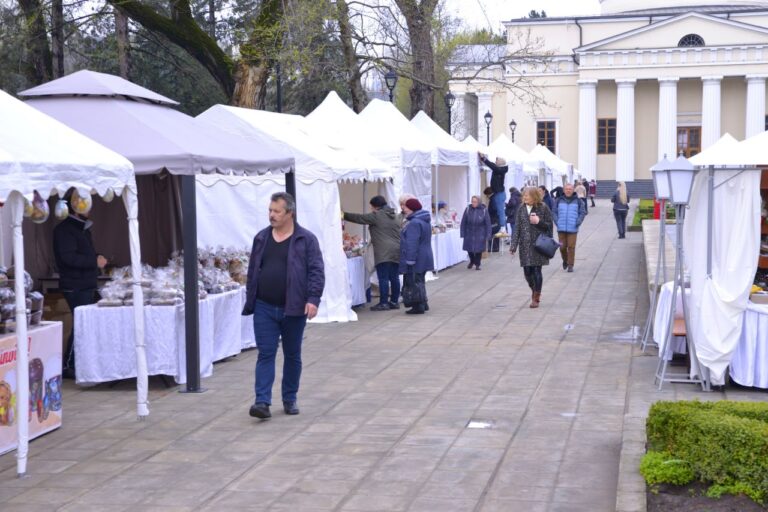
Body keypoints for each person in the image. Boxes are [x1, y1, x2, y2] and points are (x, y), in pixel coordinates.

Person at [242, 192, 325, 419]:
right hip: (264, 306)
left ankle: (289, 398)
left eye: (277, 211)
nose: (271, 215)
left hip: (294, 308)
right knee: (265, 353)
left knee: (292, 354)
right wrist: (251, 298)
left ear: (290, 213)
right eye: (270, 210)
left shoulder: (305, 239)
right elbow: (252, 271)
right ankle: (262, 402)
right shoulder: (261, 238)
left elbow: (316, 271)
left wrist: (313, 299)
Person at [53, 198, 108, 379]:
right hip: (75, 285)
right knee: (80, 325)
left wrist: (96, 256)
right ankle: (69, 365)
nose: (89, 209)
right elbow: (69, 258)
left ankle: (79, 362)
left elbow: (83, 253)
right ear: (76, 208)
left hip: (86, 283)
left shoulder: (82, 228)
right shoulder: (65, 230)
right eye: (85, 205)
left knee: (84, 325)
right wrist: (94, 261)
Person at [343, 196, 401, 311]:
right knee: (394, 277)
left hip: (383, 251)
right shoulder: (394, 215)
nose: (371, 209)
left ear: (376, 206)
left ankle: (384, 302)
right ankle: (394, 301)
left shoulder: (377, 215)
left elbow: (360, 218)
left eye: (371, 206)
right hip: (396, 249)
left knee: (383, 278)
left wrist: (343, 215)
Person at [509, 187, 554, 308]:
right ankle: (534, 290)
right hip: (524, 245)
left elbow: (549, 226)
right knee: (527, 272)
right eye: (523, 196)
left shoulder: (543, 207)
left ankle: (536, 298)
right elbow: (517, 228)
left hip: (538, 245)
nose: (524, 198)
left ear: (534, 196)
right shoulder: (521, 209)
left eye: (527, 196)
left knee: (536, 270)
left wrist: (538, 222)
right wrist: (513, 245)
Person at [399, 198, 434, 314]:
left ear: (412, 209)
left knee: (414, 281)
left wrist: (410, 259)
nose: (404, 209)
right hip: (425, 255)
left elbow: (412, 243)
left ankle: (418, 306)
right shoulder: (424, 220)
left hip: (417, 256)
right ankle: (423, 303)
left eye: (406, 207)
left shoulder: (414, 222)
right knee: (420, 280)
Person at [552, 183, 586, 272]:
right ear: (564, 190)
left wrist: (578, 221)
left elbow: (582, 212)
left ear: (573, 190)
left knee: (571, 247)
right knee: (562, 247)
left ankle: (570, 265)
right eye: (566, 189)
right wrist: (557, 221)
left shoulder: (578, 201)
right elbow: (554, 212)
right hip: (561, 228)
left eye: (570, 189)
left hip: (573, 228)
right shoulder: (558, 200)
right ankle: (565, 260)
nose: (568, 190)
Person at [460, 195, 492, 270]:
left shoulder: (484, 210)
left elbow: (488, 223)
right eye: (472, 202)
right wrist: (462, 232)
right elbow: (463, 222)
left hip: (480, 232)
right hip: (469, 232)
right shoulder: (468, 209)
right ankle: (472, 261)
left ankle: (477, 264)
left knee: (478, 249)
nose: (473, 203)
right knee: (469, 249)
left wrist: (488, 234)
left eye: (475, 202)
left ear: (479, 202)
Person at [478, 153, 508, 227]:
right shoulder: (499, 169)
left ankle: (503, 228)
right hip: (498, 193)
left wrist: (484, 159)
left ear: (500, 162)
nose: (495, 161)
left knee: (501, 211)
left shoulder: (500, 170)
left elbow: (493, 166)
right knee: (497, 211)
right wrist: (483, 158)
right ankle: (499, 226)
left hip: (499, 193)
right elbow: (493, 165)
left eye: (496, 160)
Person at [484, 187, 502, 252]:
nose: (486, 196)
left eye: (486, 195)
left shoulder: (493, 199)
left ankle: (492, 248)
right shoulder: (496, 197)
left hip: (493, 219)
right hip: (496, 219)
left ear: (488, 194)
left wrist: (488, 212)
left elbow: (494, 209)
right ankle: (496, 248)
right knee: (495, 233)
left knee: (491, 232)